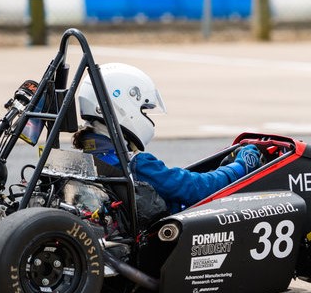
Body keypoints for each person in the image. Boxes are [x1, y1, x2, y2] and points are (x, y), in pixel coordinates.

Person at [73, 63, 262, 221]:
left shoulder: (88, 159)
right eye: (144, 110)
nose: (145, 116)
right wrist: (239, 167)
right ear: (122, 107)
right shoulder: (135, 165)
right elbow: (197, 188)